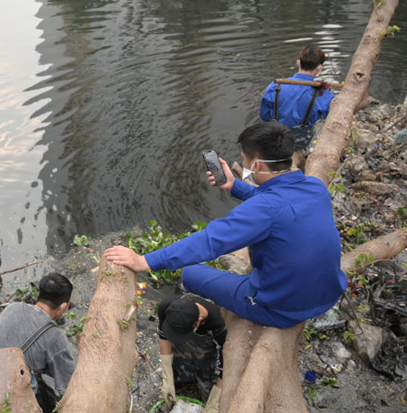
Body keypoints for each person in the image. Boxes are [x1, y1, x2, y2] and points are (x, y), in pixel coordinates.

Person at [104, 121, 346, 329]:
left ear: (257, 165)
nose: (244, 165)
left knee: (191, 273)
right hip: (328, 295)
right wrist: (234, 186)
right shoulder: (315, 186)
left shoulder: (263, 209)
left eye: (244, 160)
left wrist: (145, 261)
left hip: (281, 310)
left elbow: (209, 242)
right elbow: (279, 202)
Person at [0, 273, 76, 412]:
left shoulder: (13, 307)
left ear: (39, 293)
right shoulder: (54, 336)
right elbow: (69, 383)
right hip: (6, 404)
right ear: (63, 306)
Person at [156, 294, 225, 413]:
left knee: (207, 374)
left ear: (197, 322)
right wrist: (167, 376)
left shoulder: (219, 326)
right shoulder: (167, 307)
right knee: (178, 367)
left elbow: (225, 368)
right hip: (187, 332)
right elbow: (163, 337)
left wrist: (215, 401)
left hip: (209, 343)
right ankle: (180, 384)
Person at [259, 46, 335, 152]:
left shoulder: (275, 86)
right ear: (319, 68)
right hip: (302, 142)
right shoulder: (324, 94)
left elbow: (264, 116)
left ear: (298, 62)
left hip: (275, 139)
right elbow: (330, 119)